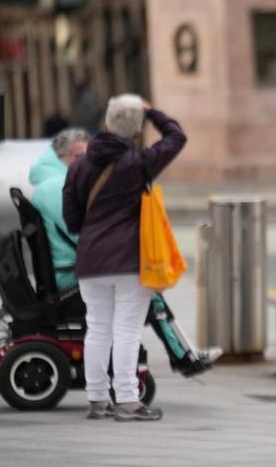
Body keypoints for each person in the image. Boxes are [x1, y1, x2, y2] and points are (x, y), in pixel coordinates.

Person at [29, 128, 221, 378]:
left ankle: (181, 355)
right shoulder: (54, 186)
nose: (84, 162)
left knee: (131, 300)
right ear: (61, 156)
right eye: (79, 156)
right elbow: (80, 231)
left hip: (70, 269)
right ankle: (182, 356)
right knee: (147, 293)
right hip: (72, 274)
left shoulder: (52, 181)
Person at [63, 95, 185, 422]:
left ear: (105, 124)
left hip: (90, 262)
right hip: (131, 260)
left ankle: (97, 400)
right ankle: (128, 400)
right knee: (126, 330)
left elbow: (72, 219)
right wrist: (151, 112)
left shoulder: (78, 166)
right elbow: (176, 137)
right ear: (135, 132)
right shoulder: (141, 162)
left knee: (97, 328)